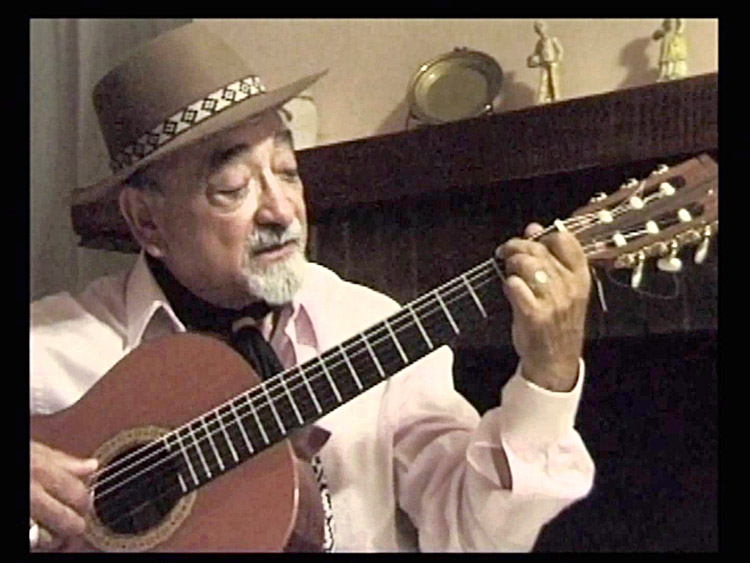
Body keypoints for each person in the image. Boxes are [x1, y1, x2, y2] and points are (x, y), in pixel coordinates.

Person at [30, 22, 595, 552]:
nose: (281, 210)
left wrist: (548, 379)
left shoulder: (369, 323)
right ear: (147, 222)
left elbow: (476, 534)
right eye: (233, 187)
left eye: (287, 171)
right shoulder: (52, 348)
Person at [527, 20, 564, 104]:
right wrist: (533, 59)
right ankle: (543, 99)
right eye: (538, 29)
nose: (540, 30)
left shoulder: (553, 40)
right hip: (544, 65)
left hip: (552, 64)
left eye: (541, 27)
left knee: (554, 81)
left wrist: (556, 60)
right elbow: (535, 54)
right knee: (544, 81)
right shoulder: (539, 43)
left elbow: (560, 51)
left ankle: (556, 98)